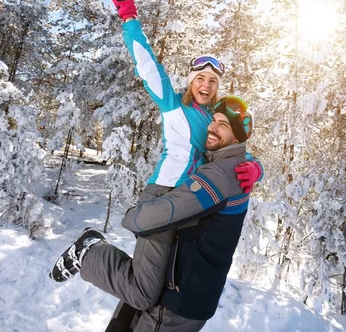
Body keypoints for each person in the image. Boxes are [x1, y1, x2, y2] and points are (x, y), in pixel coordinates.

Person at [50, 0, 262, 329]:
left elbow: (233, 146)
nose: (206, 86)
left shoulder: (216, 118)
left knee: (156, 292)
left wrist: (255, 167)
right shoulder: (172, 106)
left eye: (213, 81)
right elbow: (147, 64)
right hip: (164, 198)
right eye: (200, 78)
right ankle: (88, 251)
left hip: (190, 208)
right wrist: (129, 17)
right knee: (145, 291)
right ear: (190, 81)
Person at [53, 95, 257, 332]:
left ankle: (90, 252)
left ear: (239, 136)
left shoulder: (221, 174)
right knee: (132, 306)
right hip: (173, 292)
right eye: (214, 120)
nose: (212, 128)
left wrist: (132, 218)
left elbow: (167, 211)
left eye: (223, 125)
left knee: (131, 308)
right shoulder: (227, 167)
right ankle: (90, 253)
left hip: (180, 293)